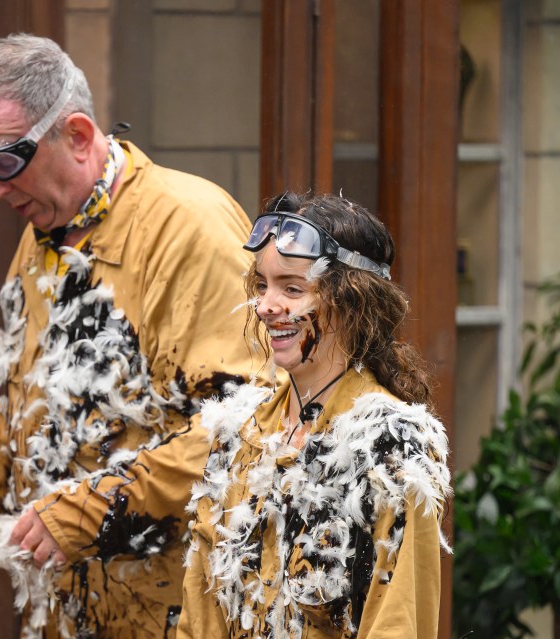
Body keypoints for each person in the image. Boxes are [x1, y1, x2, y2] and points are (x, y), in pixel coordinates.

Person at [0, 33, 260, 638]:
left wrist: (93, 505)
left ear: (80, 135)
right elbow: (38, 431)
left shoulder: (188, 227)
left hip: (181, 613)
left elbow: (249, 431)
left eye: (6, 162)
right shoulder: (50, 236)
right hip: (72, 612)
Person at [177, 192, 452, 639]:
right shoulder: (238, 433)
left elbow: (397, 622)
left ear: (352, 301)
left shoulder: (394, 443)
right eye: (263, 285)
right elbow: (200, 610)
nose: (266, 306)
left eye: (292, 288)